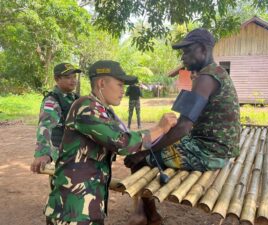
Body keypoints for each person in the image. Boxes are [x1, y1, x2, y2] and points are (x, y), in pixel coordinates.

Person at [124, 28, 241, 225]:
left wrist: (145, 151)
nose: (183, 57)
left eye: (187, 51)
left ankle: (148, 215)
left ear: (203, 49)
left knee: (137, 159)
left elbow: (184, 127)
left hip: (209, 152)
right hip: (216, 146)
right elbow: (182, 121)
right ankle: (148, 214)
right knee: (154, 145)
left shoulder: (206, 78)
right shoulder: (215, 73)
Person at [43, 60, 177, 225]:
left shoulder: (104, 110)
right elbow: (122, 143)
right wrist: (160, 129)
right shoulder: (86, 106)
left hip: (87, 205)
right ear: (101, 83)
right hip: (72, 209)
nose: (123, 91)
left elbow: (126, 135)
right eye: (120, 85)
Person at [31, 62, 81, 173]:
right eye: (68, 77)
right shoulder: (52, 101)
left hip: (77, 153)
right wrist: (43, 153)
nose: (73, 80)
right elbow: (45, 127)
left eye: (74, 77)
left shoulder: (76, 98)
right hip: (62, 157)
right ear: (57, 79)